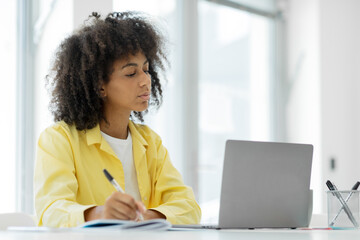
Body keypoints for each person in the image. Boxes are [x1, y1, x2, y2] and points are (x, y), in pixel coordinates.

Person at [34, 11, 201, 228]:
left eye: (146, 70)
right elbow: (50, 212)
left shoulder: (151, 142)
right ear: (100, 85)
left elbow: (189, 206)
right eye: (131, 74)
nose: (145, 81)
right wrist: (100, 213)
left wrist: (147, 218)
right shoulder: (58, 139)